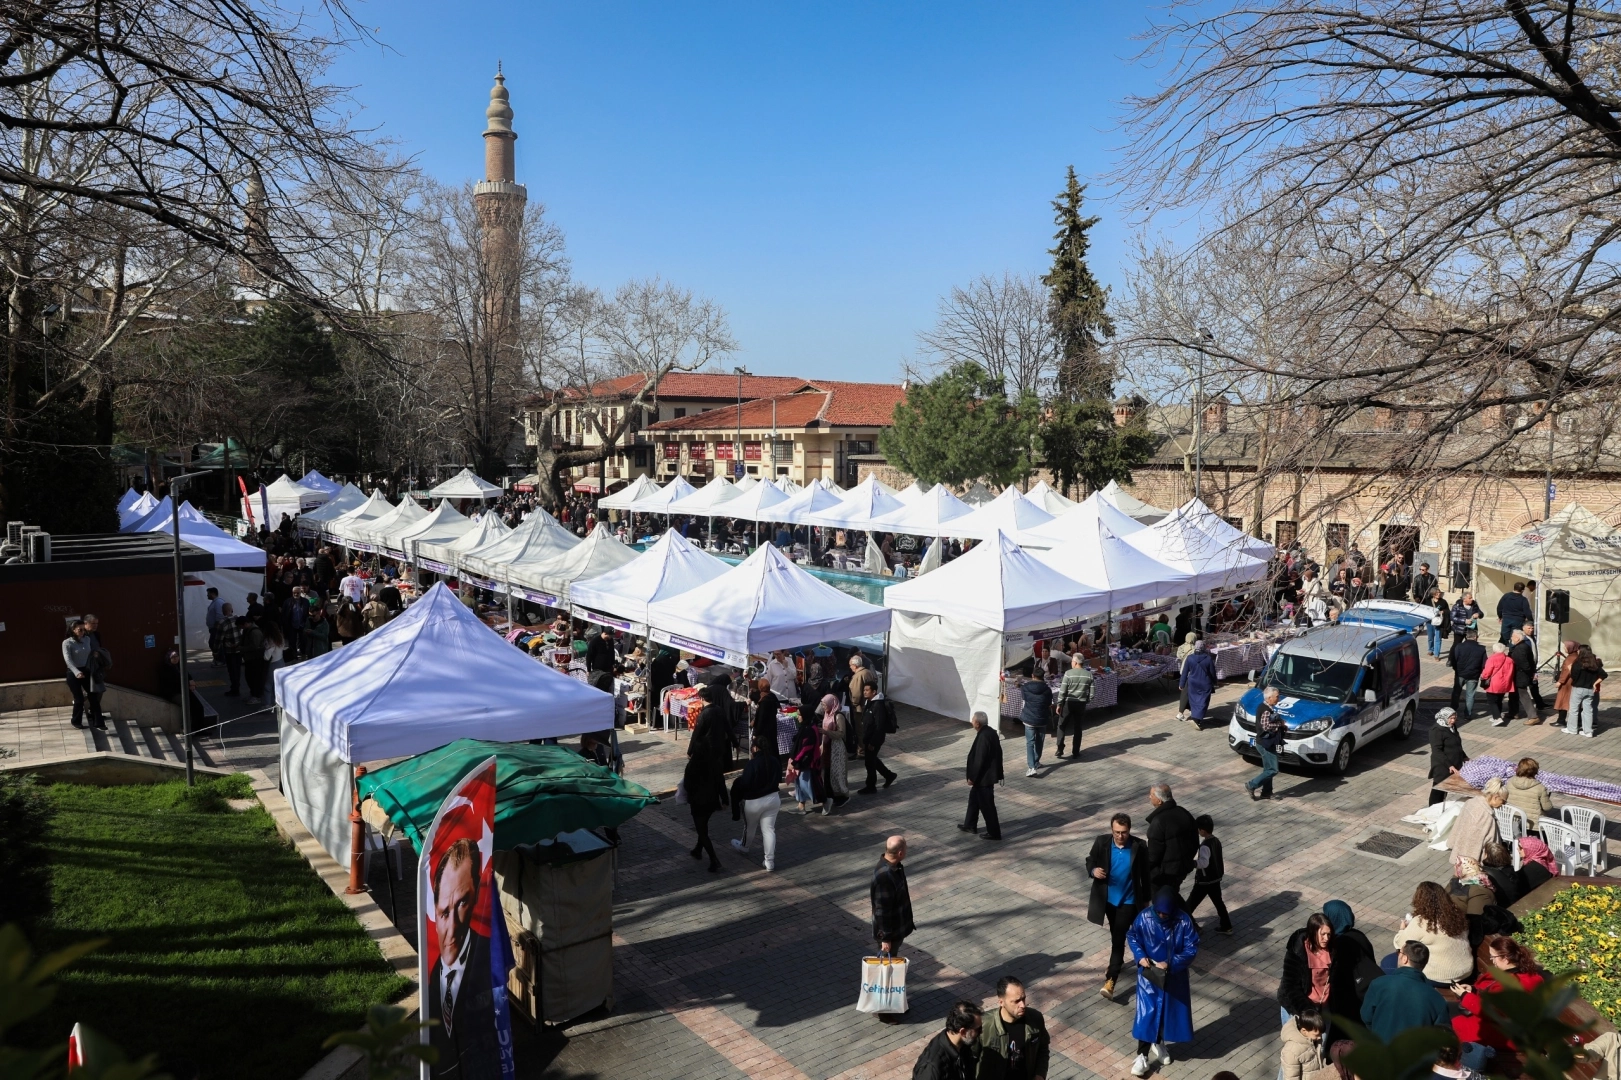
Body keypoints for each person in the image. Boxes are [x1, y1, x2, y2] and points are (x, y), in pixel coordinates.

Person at [426, 838, 501, 1078]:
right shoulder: (430, 977)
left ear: (476, 894)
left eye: (462, 904)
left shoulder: (490, 958)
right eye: (444, 912)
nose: (452, 928)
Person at [1125, 887, 1198, 1077]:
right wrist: (1140, 956)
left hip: (1174, 976)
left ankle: (1159, 1042)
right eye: (1159, 912)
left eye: (1166, 913)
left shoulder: (1183, 920)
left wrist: (1171, 962)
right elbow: (1133, 936)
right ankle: (1142, 1055)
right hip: (1150, 976)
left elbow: (1191, 947)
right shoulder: (1144, 917)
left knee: (1167, 1011)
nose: (1162, 916)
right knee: (1147, 1014)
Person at [1450, 935, 1546, 1066]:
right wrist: (1473, 990)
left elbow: (1491, 1012)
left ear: (1505, 959)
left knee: (1451, 1022)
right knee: (1447, 1011)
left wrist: (1465, 996)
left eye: (1493, 957)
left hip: (1505, 1033)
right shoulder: (1527, 974)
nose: (1492, 961)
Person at [1086, 812, 1149, 1001]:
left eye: (1124, 832)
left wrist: (1146, 900)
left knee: (1120, 940)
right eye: (1117, 832)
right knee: (1116, 935)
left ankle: (1111, 980)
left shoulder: (1139, 846)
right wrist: (1093, 870)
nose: (1120, 836)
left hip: (1129, 902)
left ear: (1129, 830)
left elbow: (1145, 875)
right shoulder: (1102, 842)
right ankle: (1118, 962)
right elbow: (1090, 860)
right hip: (1108, 902)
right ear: (1111, 830)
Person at [1279, 912, 1360, 1038]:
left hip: (1324, 1006)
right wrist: (1307, 1011)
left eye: (1329, 934)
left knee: (1321, 1042)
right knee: (1299, 1043)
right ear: (1313, 933)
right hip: (1299, 1008)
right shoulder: (1297, 951)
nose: (1326, 938)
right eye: (1322, 934)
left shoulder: (1333, 950)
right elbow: (1290, 986)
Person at [1362, 941, 1449, 1041]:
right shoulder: (1437, 999)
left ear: (1405, 958)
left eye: (1399, 952)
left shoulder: (1379, 984)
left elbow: (1366, 1017)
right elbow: (1441, 1034)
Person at [1391, 881, 1473, 983]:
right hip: (1465, 972)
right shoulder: (1457, 915)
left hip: (1439, 977)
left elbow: (1400, 943)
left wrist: (1402, 929)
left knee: (1389, 962)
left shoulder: (1421, 922)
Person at [977, 976, 1048, 1080]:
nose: (1022, 1005)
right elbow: (970, 1057)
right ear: (1001, 1002)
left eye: (1023, 999)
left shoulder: (1035, 1019)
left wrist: (1040, 1074)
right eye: (1017, 1001)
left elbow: (1043, 1048)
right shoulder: (983, 1024)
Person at [730, 743, 781, 872]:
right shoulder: (774, 761)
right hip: (773, 798)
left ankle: (744, 846)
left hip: (754, 801)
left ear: (755, 748)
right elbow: (779, 779)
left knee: (750, 827)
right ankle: (769, 861)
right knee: (769, 830)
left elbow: (745, 783)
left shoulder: (752, 764)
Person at [682, 733, 728, 872]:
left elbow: (687, 785)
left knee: (702, 830)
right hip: (712, 802)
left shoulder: (692, 765)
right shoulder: (715, 763)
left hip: (698, 803)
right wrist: (725, 799)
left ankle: (714, 859)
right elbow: (721, 783)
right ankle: (698, 849)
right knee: (703, 826)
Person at [1145, 783, 1198, 896]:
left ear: (1159, 801)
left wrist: (1144, 870)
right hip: (1181, 870)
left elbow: (1153, 856)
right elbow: (1195, 842)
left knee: (1162, 901)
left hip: (1163, 875)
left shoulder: (1158, 822)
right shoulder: (1184, 812)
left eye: (1151, 795)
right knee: (1172, 895)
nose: (1149, 797)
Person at [959, 711, 1003, 841]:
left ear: (977, 723)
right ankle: (969, 825)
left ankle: (994, 832)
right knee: (974, 800)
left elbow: (979, 760)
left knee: (987, 806)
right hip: (987, 776)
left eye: (973, 720)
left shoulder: (984, 736)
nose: (971, 722)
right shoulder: (990, 732)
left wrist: (972, 777)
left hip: (984, 778)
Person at [911, 1001, 982, 1080]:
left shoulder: (964, 1044)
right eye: (978, 1029)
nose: (981, 1032)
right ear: (963, 1032)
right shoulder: (932, 1068)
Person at [1185, 815, 1231, 934]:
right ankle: (1227, 926)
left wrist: (1193, 863)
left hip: (1204, 881)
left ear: (1203, 831)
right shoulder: (1216, 841)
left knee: (1189, 905)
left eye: (1198, 829)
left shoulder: (1205, 846)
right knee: (1219, 903)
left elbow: (1204, 863)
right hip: (1215, 878)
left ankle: (1185, 926)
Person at [871, 835, 915, 957]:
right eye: (906, 848)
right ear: (900, 853)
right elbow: (882, 910)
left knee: (890, 961)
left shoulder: (895, 867)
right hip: (891, 933)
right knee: (886, 963)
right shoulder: (885, 877)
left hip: (895, 930)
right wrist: (885, 938)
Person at [1449, 777, 1506, 865]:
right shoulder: (1487, 817)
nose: (1503, 804)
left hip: (1460, 852)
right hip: (1473, 862)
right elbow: (1489, 844)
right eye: (1503, 801)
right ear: (1495, 797)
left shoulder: (1471, 802)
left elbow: (1459, 824)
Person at [62, 619, 105, 730]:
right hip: (73, 673)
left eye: (83, 630)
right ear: (73, 630)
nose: (82, 632)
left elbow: (88, 653)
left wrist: (94, 655)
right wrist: (77, 672)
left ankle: (99, 723)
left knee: (93, 696)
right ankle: (76, 721)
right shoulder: (67, 643)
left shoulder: (87, 639)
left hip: (86, 670)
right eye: (79, 630)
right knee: (79, 698)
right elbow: (68, 660)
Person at [1246, 686, 1287, 801]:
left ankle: (1266, 793)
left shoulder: (1265, 707)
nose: (1278, 698)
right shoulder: (1265, 710)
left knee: (1267, 769)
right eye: (1277, 696)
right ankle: (1251, 785)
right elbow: (1266, 726)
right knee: (1273, 769)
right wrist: (1280, 725)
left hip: (1265, 743)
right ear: (1269, 698)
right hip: (1265, 744)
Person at [858, 680, 897, 793]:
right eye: (864, 690)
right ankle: (889, 775)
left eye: (867, 690)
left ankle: (871, 786)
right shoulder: (869, 702)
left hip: (874, 739)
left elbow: (879, 726)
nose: (864, 692)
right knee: (872, 759)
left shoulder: (878, 705)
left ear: (874, 692)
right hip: (868, 737)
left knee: (869, 762)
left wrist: (873, 742)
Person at [1279, 1007, 1339, 1080]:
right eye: (1316, 1035)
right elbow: (1291, 1077)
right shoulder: (1291, 1051)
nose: (1319, 1037)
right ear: (1304, 1031)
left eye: (1320, 1034)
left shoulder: (1313, 1040)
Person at [1054, 654, 1093, 759]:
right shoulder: (1089, 675)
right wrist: (1086, 700)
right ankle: (1075, 751)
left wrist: (1059, 704)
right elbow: (1092, 694)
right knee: (1078, 727)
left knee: (1061, 725)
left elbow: (1062, 691)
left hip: (1068, 703)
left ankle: (1060, 748)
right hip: (1081, 704)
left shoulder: (1068, 674)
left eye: (1072, 661)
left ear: (1075, 663)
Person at [1427, 707, 1467, 805]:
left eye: (1454, 718)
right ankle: (1432, 809)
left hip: (1453, 765)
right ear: (1444, 717)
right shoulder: (1436, 730)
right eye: (1450, 718)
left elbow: (1457, 745)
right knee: (1438, 790)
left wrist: (1464, 757)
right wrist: (1450, 765)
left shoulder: (1452, 727)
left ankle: (1440, 808)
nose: (1453, 721)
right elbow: (1437, 751)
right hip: (1442, 766)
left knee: (1445, 790)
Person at [788, 709, 825, 813]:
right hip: (802, 762)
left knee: (807, 786)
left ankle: (826, 800)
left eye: (799, 715)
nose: (797, 717)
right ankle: (801, 806)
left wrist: (795, 761)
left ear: (805, 715)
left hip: (808, 762)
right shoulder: (806, 727)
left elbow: (806, 749)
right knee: (799, 784)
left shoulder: (810, 729)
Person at [1017, 665, 1051, 776]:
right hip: (1042, 718)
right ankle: (1036, 762)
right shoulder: (1047, 690)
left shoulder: (1025, 687)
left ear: (1032, 676)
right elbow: (1049, 703)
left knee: (1030, 743)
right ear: (1043, 676)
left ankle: (1031, 767)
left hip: (1029, 718)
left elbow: (1024, 698)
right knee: (1039, 742)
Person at [820, 693, 850, 813]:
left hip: (836, 748)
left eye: (825, 704)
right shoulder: (826, 714)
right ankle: (831, 795)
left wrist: (826, 732)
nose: (823, 707)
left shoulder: (838, 716)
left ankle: (843, 795)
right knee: (827, 772)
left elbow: (841, 733)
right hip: (827, 747)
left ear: (831, 704)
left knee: (837, 773)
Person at [1568, 643, 1605, 738]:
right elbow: (1604, 675)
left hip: (1578, 689)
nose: (1577, 651)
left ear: (1581, 651)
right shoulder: (1594, 663)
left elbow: (1574, 677)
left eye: (1578, 650)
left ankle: (1572, 729)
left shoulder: (1577, 663)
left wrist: (1570, 669)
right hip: (1590, 690)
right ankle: (1588, 731)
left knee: (1574, 709)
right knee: (1588, 711)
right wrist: (1595, 683)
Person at [1449, 630, 1487, 718]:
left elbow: (1453, 660)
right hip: (1473, 675)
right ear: (1475, 637)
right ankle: (1468, 714)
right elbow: (1484, 664)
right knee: (1470, 695)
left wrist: (1456, 669)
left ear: (1466, 637)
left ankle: (1453, 709)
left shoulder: (1459, 646)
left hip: (1460, 674)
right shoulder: (1481, 649)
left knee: (1456, 692)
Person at [1178, 641, 1216, 728]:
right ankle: (1197, 720)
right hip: (1205, 683)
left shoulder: (1190, 658)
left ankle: (1195, 718)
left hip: (1192, 683)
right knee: (1203, 701)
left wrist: (1182, 684)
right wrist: (1215, 682)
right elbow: (1212, 672)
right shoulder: (1208, 658)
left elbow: (1185, 672)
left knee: (1194, 701)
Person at [1506, 757, 1554, 827]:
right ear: (1535, 771)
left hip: (1514, 822)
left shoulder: (1510, 782)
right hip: (1534, 825)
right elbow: (1547, 807)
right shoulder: (1540, 788)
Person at [1507, 628, 1539, 723]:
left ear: (1517, 638)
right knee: (1513, 694)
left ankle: (1533, 716)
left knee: (1523, 695)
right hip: (1520, 676)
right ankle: (1513, 712)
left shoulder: (1519, 649)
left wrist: (1530, 673)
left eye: (1512, 636)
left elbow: (1524, 664)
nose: (1511, 638)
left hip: (1520, 676)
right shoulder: (1524, 646)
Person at [1480, 643, 1515, 725]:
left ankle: (1497, 717)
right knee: (1499, 700)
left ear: (1494, 649)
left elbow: (1487, 672)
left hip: (1494, 683)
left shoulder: (1492, 659)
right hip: (1505, 683)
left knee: (1492, 701)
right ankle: (1496, 716)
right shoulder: (1509, 660)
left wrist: (1483, 677)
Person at [240, 616, 268, 706]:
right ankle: (253, 694)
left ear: (245, 624)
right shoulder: (248, 630)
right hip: (250, 658)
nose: (241, 628)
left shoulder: (254, 632)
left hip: (255, 659)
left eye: (241, 626)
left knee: (254, 678)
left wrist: (241, 648)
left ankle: (257, 696)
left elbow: (254, 646)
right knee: (250, 677)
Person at [216, 603, 242, 696]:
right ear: (232, 609)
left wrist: (215, 651)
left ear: (223, 611)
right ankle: (237, 686)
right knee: (237, 670)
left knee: (232, 670)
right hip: (239, 649)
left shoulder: (222, 622)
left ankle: (234, 689)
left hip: (229, 650)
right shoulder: (237, 618)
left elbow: (219, 639)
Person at [1173, 633, 1199, 720]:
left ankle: (1191, 710)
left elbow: (1179, 656)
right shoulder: (1194, 649)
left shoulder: (1181, 647)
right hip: (1191, 673)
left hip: (1183, 671)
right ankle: (1180, 713)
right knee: (1186, 693)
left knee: (1187, 692)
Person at [1553, 639, 1579, 727]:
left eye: (1565, 647)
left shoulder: (1570, 658)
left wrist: (1560, 682)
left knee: (1562, 701)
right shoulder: (1576, 656)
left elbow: (1566, 671)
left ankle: (1561, 721)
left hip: (1567, 684)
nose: (1564, 648)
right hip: (1572, 682)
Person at [1427, 587, 1450, 659]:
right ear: (1433, 594)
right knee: (1430, 637)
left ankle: (1436, 654)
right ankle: (1431, 649)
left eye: (1439, 592)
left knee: (1438, 638)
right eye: (1437, 593)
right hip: (1430, 622)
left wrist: (1443, 612)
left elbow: (1448, 611)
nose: (1439, 594)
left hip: (1439, 623)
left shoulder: (1443, 602)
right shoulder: (1428, 601)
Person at [204, 587, 225, 665]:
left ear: (213, 593)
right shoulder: (214, 602)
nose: (207, 595)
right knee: (215, 643)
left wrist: (216, 626)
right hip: (213, 627)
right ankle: (219, 658)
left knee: (214, 643)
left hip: (216, 628)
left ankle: (221, 660)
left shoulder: (218, 602)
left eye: (208, 593)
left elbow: (219, 615)